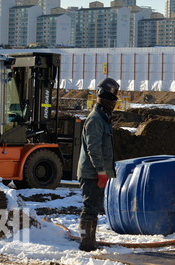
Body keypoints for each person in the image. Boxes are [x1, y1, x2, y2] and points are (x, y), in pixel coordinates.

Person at [76, 77, 120, 252]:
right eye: (112, 100)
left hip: (95, 172)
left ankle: (90, 242)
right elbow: (94, 149)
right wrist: (101, 171)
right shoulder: (95, 120)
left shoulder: (102, 119)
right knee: (89, 209)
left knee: (93, 208)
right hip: (91, 173)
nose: (113, 104)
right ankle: (86, 244)